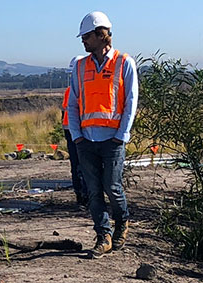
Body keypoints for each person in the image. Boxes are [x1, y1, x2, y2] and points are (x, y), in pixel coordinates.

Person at [67, 11, 138, 256]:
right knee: (94, 191)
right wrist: (77, 136)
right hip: (86, 140)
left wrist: (122, 135)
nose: (83, 41)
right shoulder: (79, 66)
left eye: (87, 36)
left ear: (101, 35)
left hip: (112, 141)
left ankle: (122, 223)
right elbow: (73, 104)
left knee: (113, 187)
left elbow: (131, 102)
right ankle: (103, 236)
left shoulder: (124, 62)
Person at [62, 56, 88, 210]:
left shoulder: (70, 89)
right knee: (82, 165)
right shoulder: (80, 89)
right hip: (78, 130)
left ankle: (81, 196)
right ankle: (83, 196)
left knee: (77, 164)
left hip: (71, 129)